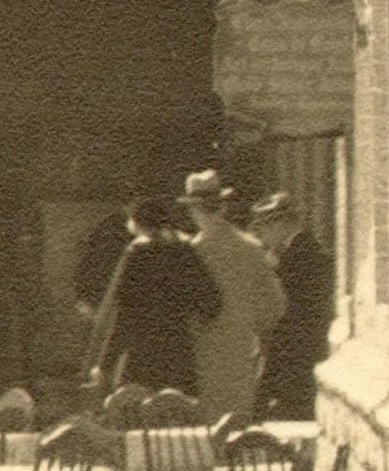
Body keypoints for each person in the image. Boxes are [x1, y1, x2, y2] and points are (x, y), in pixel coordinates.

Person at [179, 169, 286, 422]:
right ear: (223, 207)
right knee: (237, 424)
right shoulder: (251, 248)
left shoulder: (190, 253)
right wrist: (251, 327)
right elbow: (276, 305)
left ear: (193, 210)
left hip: (200, 353)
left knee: (203, 428)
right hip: (241, 351)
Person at [87, 198, 221, 394]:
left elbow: (125, 316)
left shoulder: (137, 254)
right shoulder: (185, 252)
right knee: (178, 408)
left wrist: (105, 365)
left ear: (136, 224)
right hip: (179, 355)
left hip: (142, 358)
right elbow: (212, 304)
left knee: (139, 407)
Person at [251, 193, 335, 418]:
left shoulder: (297, 258)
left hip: (296, 359)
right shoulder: (304, 251)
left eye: (264, 227)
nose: (262, 235)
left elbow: (285, 318)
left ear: (280, 224)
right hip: (304, 355)